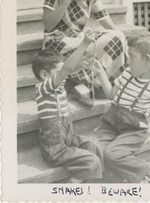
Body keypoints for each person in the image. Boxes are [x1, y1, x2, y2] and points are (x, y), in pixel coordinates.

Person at [93, 32, 150, 183]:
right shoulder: (127, 74)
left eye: (132, 57)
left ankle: (149, 171)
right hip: (111, 122)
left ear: (147, 60)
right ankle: (130, 180)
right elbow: (110, 94)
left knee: (112, 154)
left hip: (134, 129)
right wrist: (100, 73)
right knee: (96, 149)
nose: (128, 61)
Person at [32, 30, 103, 183]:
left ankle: (102, 183)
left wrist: (80, 64)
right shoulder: (42, 88)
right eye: (58, 73)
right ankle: (71, 189)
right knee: (92, 161)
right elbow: (66, 70)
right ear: (44, 75)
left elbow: (67, 69)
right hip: (55, 149)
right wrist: (84, 43)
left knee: (93, 146)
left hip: (68, 140)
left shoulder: (58, 87)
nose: (63, 77)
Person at [42, 0, 127, 89]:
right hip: (57, 44)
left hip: (79, 43)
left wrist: (126, 46)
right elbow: (48, 25)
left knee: (118, 36)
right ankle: (94, 84)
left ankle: (105, 83)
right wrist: (66, 0)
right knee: (93, 42)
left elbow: (110, 26)